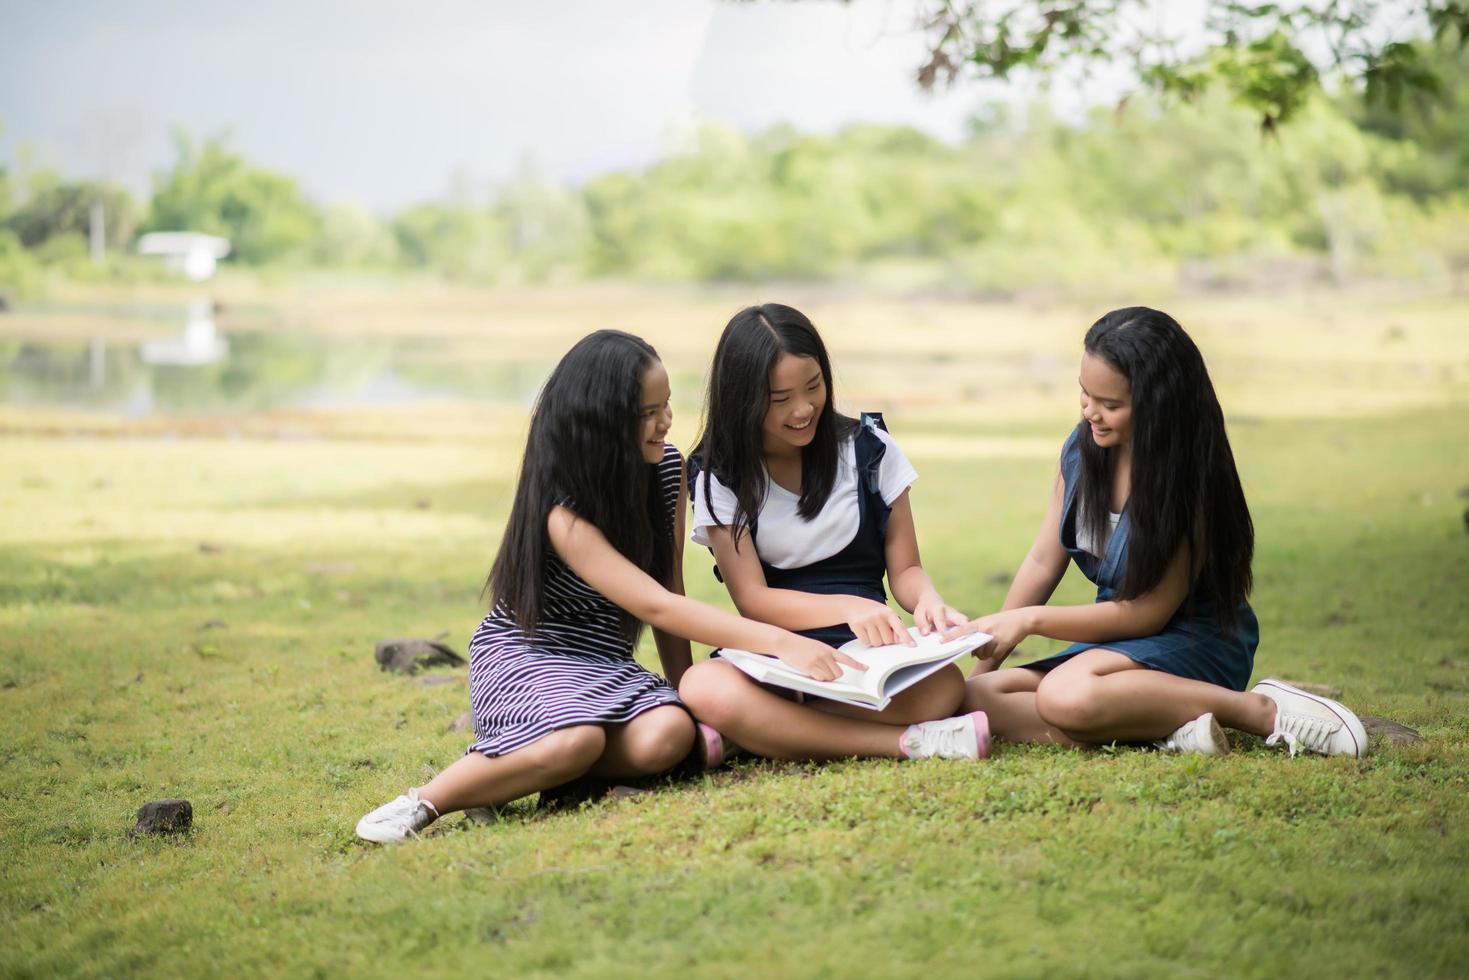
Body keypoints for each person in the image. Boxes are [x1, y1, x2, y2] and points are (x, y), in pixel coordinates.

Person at [356, 330, 966, 844]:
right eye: (648, 413)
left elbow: (671, 585)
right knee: (574, 742)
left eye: (666, 404)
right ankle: (430, 800)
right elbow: (651, 603)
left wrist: (682, 693)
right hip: (533, 652)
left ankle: (520, 770)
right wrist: (782, 644)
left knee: (669, 738)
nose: (665, 421)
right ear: (601, 423)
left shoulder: (669, 470)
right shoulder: (563, 514)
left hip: (603, 664)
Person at [963, 307, 1368, 757]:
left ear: (1158, 403)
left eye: (1110, 404)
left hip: (1193, 641)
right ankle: (1170, 727)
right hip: (1115, 644)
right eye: (1085, 395)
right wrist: (988, 659)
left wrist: (1031, 621)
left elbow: (1146, 615)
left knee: (1064, 696)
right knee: (977, 701)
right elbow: (1042, 560)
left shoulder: (1188, 480)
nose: (1090, 413)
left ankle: (1258, 710)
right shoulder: (1082, 453)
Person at [678, 304, 989, 763]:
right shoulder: (719, 475)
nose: (803, 410)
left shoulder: (869, 450)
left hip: (869, 652)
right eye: (780, 399)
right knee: (704, 686)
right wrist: (848, 606)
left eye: (813, 387)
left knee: (943, 688)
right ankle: (908, 743)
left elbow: (906, 568)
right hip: (778, 652)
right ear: (741, 399)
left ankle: (761, 731)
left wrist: (928, 602)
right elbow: (753, 600)